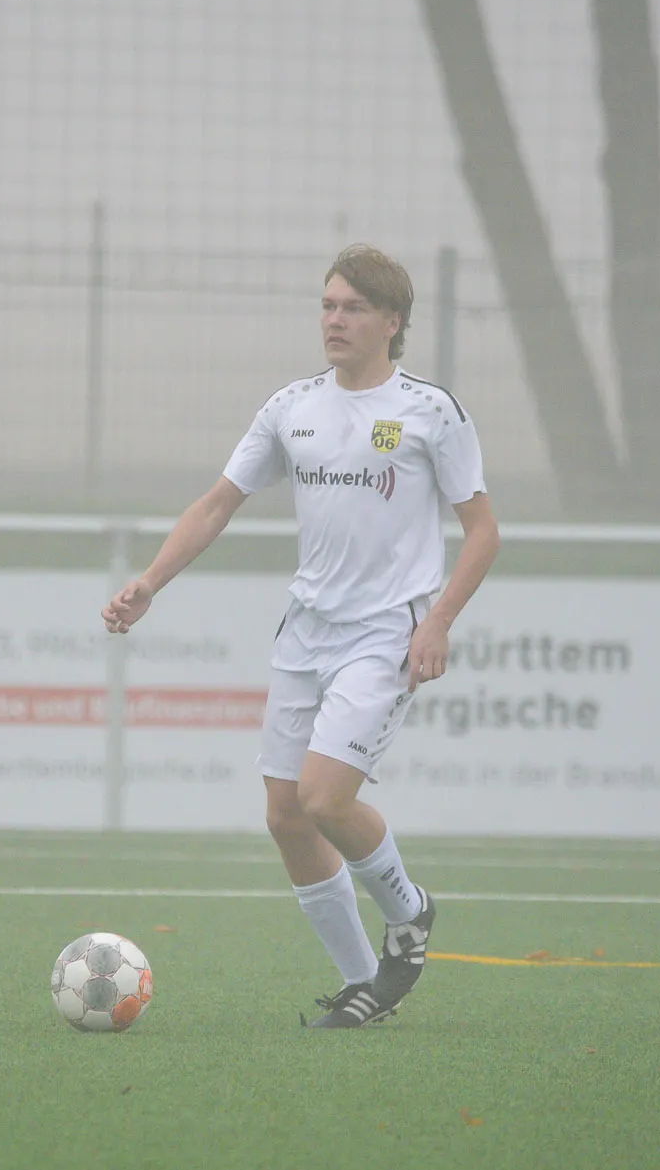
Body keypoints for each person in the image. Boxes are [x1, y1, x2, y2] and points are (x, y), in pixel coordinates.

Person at [103, 245, 499, 1028]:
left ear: (392, 321)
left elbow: (483, 530)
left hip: (385, 634)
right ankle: (363, 983)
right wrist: (150, 581)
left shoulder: (429, 411)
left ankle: (409, 910)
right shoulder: (293, 407)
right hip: (305, 632)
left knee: (324, 798)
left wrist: (440, 620)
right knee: (285, 815)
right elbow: (217, 503)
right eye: (327, 305)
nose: (334, 320)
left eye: (353, 307)